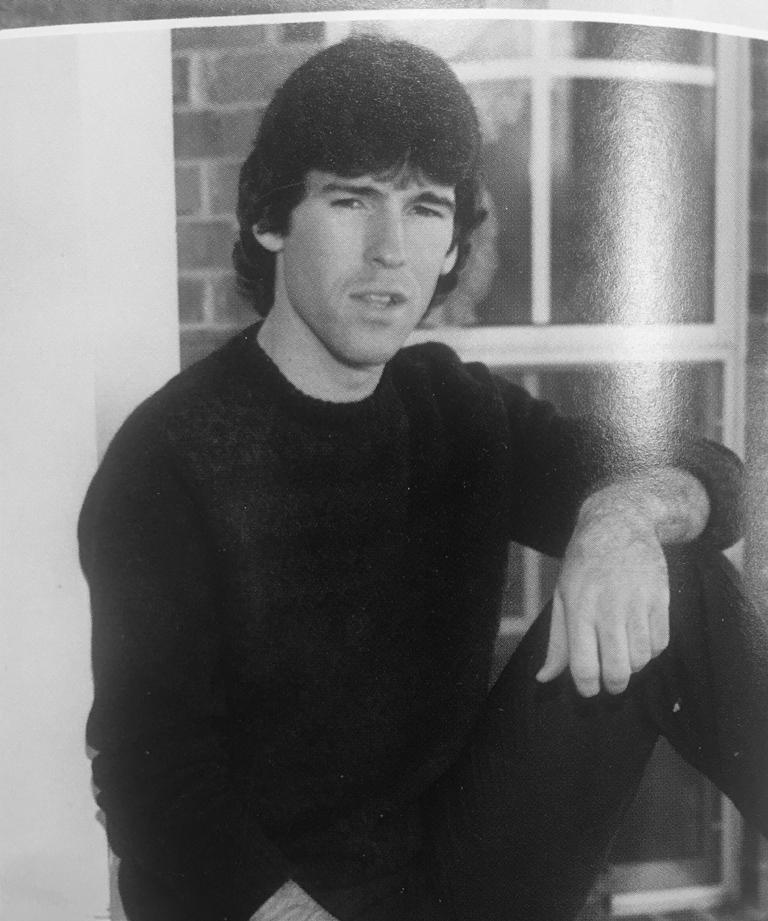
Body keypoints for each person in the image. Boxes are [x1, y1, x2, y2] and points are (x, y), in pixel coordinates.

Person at [79, 34, 768, 921]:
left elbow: (717, 478)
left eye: (425, 208)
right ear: (270, 220)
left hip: (451, 873)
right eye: (351, 200)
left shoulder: (454, 408)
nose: (390, 251)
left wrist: (623, 517)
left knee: (671, 564)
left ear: (451, 243)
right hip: (268, 902)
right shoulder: (167, 458)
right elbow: (149, 782)